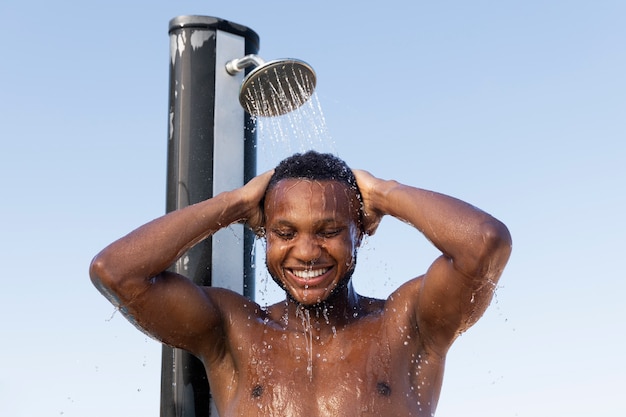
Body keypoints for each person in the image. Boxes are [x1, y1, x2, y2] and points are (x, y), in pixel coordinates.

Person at [90, 150, 511, 416]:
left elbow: (484, 243)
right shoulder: (236, 330)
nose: (307, 252)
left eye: (328, 231)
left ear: (358, 232)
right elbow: (116, 272)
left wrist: (385, 194)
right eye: (285, 233)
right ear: (265, 234)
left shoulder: (405, 325)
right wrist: (233, 202)